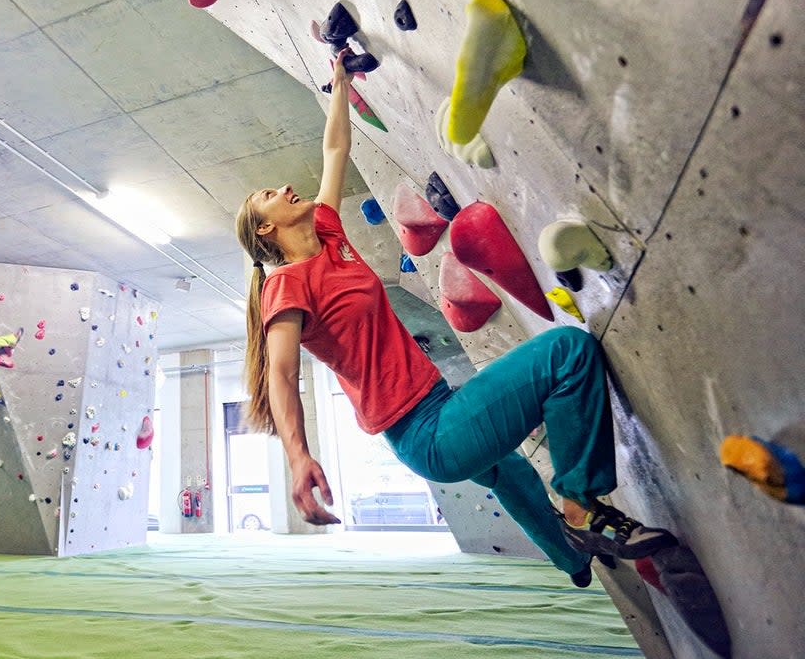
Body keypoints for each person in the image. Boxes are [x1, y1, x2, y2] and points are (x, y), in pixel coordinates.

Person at [234, 50, 676, 585]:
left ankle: (573, 562)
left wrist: (338, 81)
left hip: (436, 401)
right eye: (269, 196)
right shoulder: (284, 286)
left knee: (510, 471)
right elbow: (280, 375)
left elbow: (334, 148)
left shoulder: (328, 233)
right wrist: (298, 458)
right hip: (423, 433)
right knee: (569, 352)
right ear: (265, 231)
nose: (284, 188)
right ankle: (581, 504)